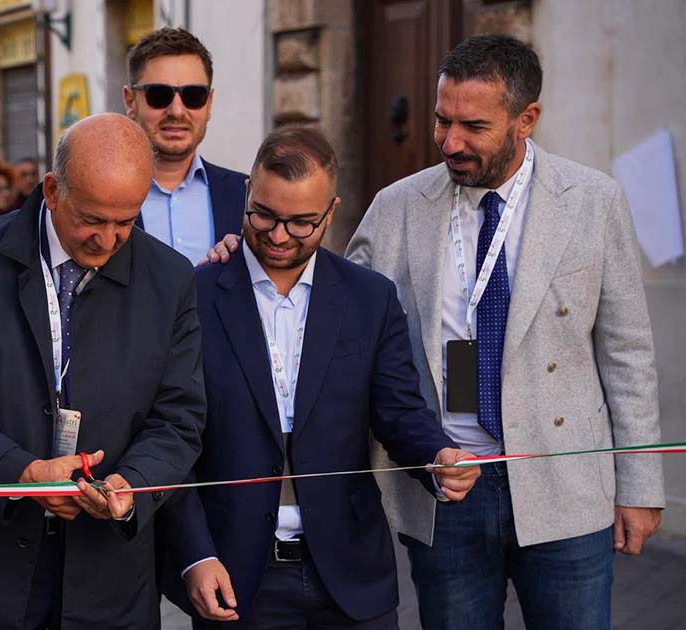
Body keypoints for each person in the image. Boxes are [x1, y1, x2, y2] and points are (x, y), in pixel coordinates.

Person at [342, 34, 663, 629]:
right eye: (442, 120)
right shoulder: (396, 206)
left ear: (526, 120)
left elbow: (627, 352)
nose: (450, 141)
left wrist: (640, 485)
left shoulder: (594, 202)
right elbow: (337, 316)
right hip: (447, 490)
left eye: (473, 126)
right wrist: (255, 255)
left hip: (564, 489)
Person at [160, 128, 479, 630]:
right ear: (247, 192)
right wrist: (194, 555)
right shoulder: (191, 296)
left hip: (352, 576)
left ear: (331, 212)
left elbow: (399, 412)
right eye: (264, 214)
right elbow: (170, 438)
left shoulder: (370, 298)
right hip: (235, 576)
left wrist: (438, 457)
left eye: (302, 222)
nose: (280, 235)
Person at [0, 113, 206, 629]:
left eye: (126, 221)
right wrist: (21, 472)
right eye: (91, 218)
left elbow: (179, 418)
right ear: (51, 190)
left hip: (109, 587)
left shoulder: (171, 279)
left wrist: (131, 485)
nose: (108, 241)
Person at [124, 27, 247, 264]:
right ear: (130, 101)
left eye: (193, 96)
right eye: (159, 95)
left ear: (209, 103)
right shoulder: (98, 198)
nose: (177, 111)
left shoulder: (245, 196)